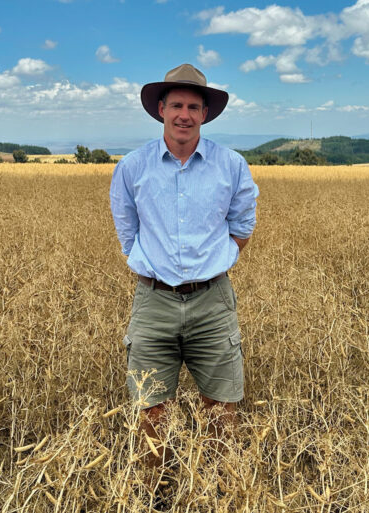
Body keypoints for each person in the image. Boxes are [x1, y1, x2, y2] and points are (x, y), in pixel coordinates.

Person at [109, 63, 258, 465]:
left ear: (205, 114)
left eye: (193, 107)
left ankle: (216, 488)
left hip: (212, 300)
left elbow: (242, 226)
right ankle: (154, 489)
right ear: (161, 109)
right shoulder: (132, 167)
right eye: (176, 105)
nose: (184, 115)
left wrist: (213, 264)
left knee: (221, 409)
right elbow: (127, 233)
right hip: (153, 301)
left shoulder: (231, 165)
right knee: (151, 411)